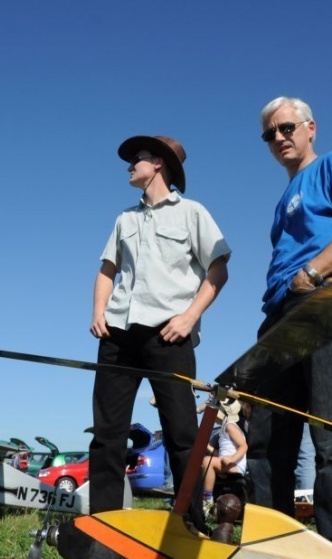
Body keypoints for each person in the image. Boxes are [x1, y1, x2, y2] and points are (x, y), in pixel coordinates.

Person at [250, 97, 332, 558]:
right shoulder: (285, 197)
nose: (279, 138)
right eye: (270, 134)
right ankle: (271, 548)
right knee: (266, 441)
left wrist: (315, 273)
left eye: (286, 128)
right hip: (279, 313)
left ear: (310, 128)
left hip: (323, 302)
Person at [88, 135, 231, 535]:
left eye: (137, 159)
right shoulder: (124, 219)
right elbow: (106, 270)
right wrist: (98, 312)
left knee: (183, 434)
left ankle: (192, 526)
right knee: (107, 434)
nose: (129, 165)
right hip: (118, 334)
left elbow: (218, 270)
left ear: (159, 164)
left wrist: (189, 317)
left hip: (169, 336)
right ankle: (103, 527)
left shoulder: (193, 213)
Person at [201, 399, 247, 517]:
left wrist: (232, 458)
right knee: (206, 461)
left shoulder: (230, 426)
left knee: (207, 462)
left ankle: (207, 498)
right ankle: (207, 498)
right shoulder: (224, 428)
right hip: (228, 462)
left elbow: (243, 446)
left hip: (235, 464)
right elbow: (219, 453)